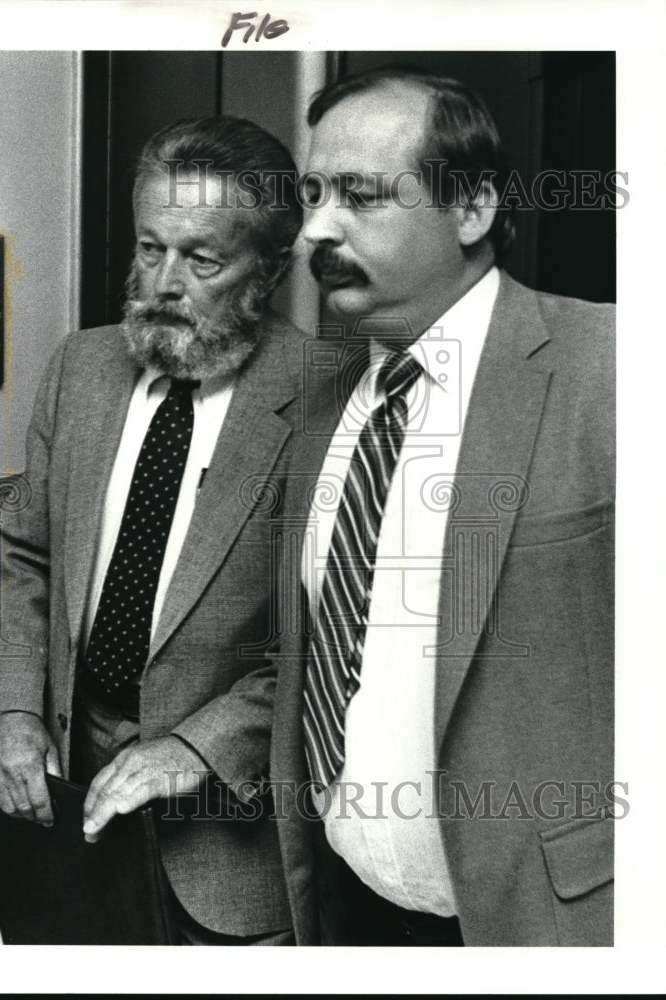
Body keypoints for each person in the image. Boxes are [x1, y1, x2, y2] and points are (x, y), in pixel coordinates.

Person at [270, 67, 615, 946]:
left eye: (359, 195)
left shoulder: (612, 369)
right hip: (349, 908)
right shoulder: (323, 402)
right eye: (313, 193)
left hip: (552, 922)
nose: (315, 229)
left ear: (470, 209)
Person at [0, 115, 306, 945]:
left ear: (270, 269)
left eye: (201, 259)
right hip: (70, 814)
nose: (162, 282)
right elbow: (20, 551)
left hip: (234, 856)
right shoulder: (79, 368)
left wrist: (197, 750)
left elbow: (339, 648)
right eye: (149, 248)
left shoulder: (333, 398)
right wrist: (10, 711)